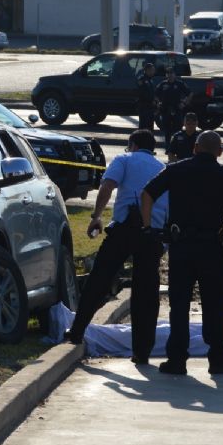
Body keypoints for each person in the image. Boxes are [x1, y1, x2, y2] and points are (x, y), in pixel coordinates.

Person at [140, 131, 223, 376]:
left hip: (181, 247)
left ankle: (177, 360)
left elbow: (146, 194)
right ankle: (218, 359)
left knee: (179, 304)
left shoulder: (175, 170)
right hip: (212, 249)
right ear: (220, 152)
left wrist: (148, 229)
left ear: (196, 148)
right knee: (215, 304)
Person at [65, 129, 168, 366]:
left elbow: (108, 186)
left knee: (99, 280)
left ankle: (77, 331)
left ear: (132, 144)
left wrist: (96, 216)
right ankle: (142, 352)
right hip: (152, 233)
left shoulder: (124, 160)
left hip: (124, 229)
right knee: (146, 293)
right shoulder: (163, 168)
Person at [155, 67, 193, 150]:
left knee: (178, 130)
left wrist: (184, 103)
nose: (170, 75)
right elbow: (155, 94)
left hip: (177, 109)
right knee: (167, 131)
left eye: (172, 73)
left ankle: (177, 148)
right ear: (166, 75)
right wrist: (158, 103)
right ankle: (168, 148)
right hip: (165, 110)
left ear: (175, 75)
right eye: (168, 73)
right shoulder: (163, 84)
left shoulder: (179, 84)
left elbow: (190, 93)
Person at [136, 62, 157, 131]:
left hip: (150, 107)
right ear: (147, 70)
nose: (154, 72)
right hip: (144, 107)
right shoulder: (142, 79)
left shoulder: (150, 79)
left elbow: (152, 92)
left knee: (150, 127)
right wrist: (151, 100)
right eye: (152, 70)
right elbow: (142, 93)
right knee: (143, 127)